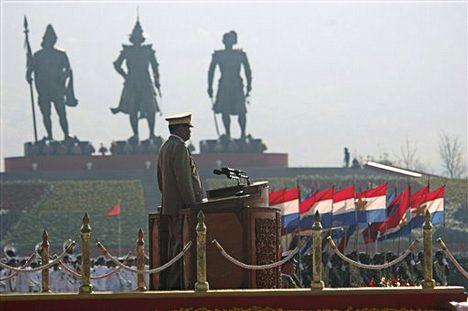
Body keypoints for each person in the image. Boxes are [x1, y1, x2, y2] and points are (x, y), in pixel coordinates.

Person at [157, 112, 203, 289]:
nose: (190, 132)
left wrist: (169, 197)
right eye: (188, 128)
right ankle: (176, 286)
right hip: (182, 208)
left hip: (171, 205)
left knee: (174, 247)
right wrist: (192, 205)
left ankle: (172, 283)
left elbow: (161, 180)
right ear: (180, 129)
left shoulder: (165, 147)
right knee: (181, 248)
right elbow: (184, 180)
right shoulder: (180, 148)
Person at [111, 18, 161, 143]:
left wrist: (157, 80)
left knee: (151, 109)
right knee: (132, 109)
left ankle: (151, 134)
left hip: (145, 81)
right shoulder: (127, 51)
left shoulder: (148, 51)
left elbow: (155, 67)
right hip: (132, 82)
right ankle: (135, 134)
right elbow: (117, 64)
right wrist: (125, 76)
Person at [26, 24, 76, 141]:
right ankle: (50, 135)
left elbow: (68, 69)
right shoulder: (38, 55)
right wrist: (29, 77)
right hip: (44, 90)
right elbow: (30, 70)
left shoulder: (61, 54)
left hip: (57, 88)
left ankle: (66, 134)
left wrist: (62, 75)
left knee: (62, 113)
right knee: (46, 114)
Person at [208, 30, 252, 140]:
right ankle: (227, 134)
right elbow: (211, 72)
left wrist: (249, 84)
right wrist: (210, 87)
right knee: (225, 110)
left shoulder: (240, 54)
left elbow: (247, 70)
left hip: (237, 84)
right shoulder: (218, 55)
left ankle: (243, 134)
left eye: (231, 40)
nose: (229, 42)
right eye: (227, 40)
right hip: (224, 85)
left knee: (241, 111)